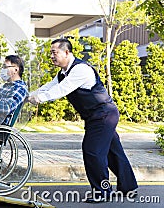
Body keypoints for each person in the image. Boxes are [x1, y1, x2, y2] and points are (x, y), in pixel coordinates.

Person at [28, 38, 138, 203]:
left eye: (54, 52)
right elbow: (49, 86)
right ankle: (129, 188)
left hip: (103, 115)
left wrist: (40, 99)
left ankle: (102, 192)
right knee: (113, 152)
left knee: (93, 151)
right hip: (98, 116)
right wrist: (28, 96)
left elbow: (61, 90)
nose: (51, 56)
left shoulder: (80, 69)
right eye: (51, 52)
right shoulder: (63, 73)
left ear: (66, 52)